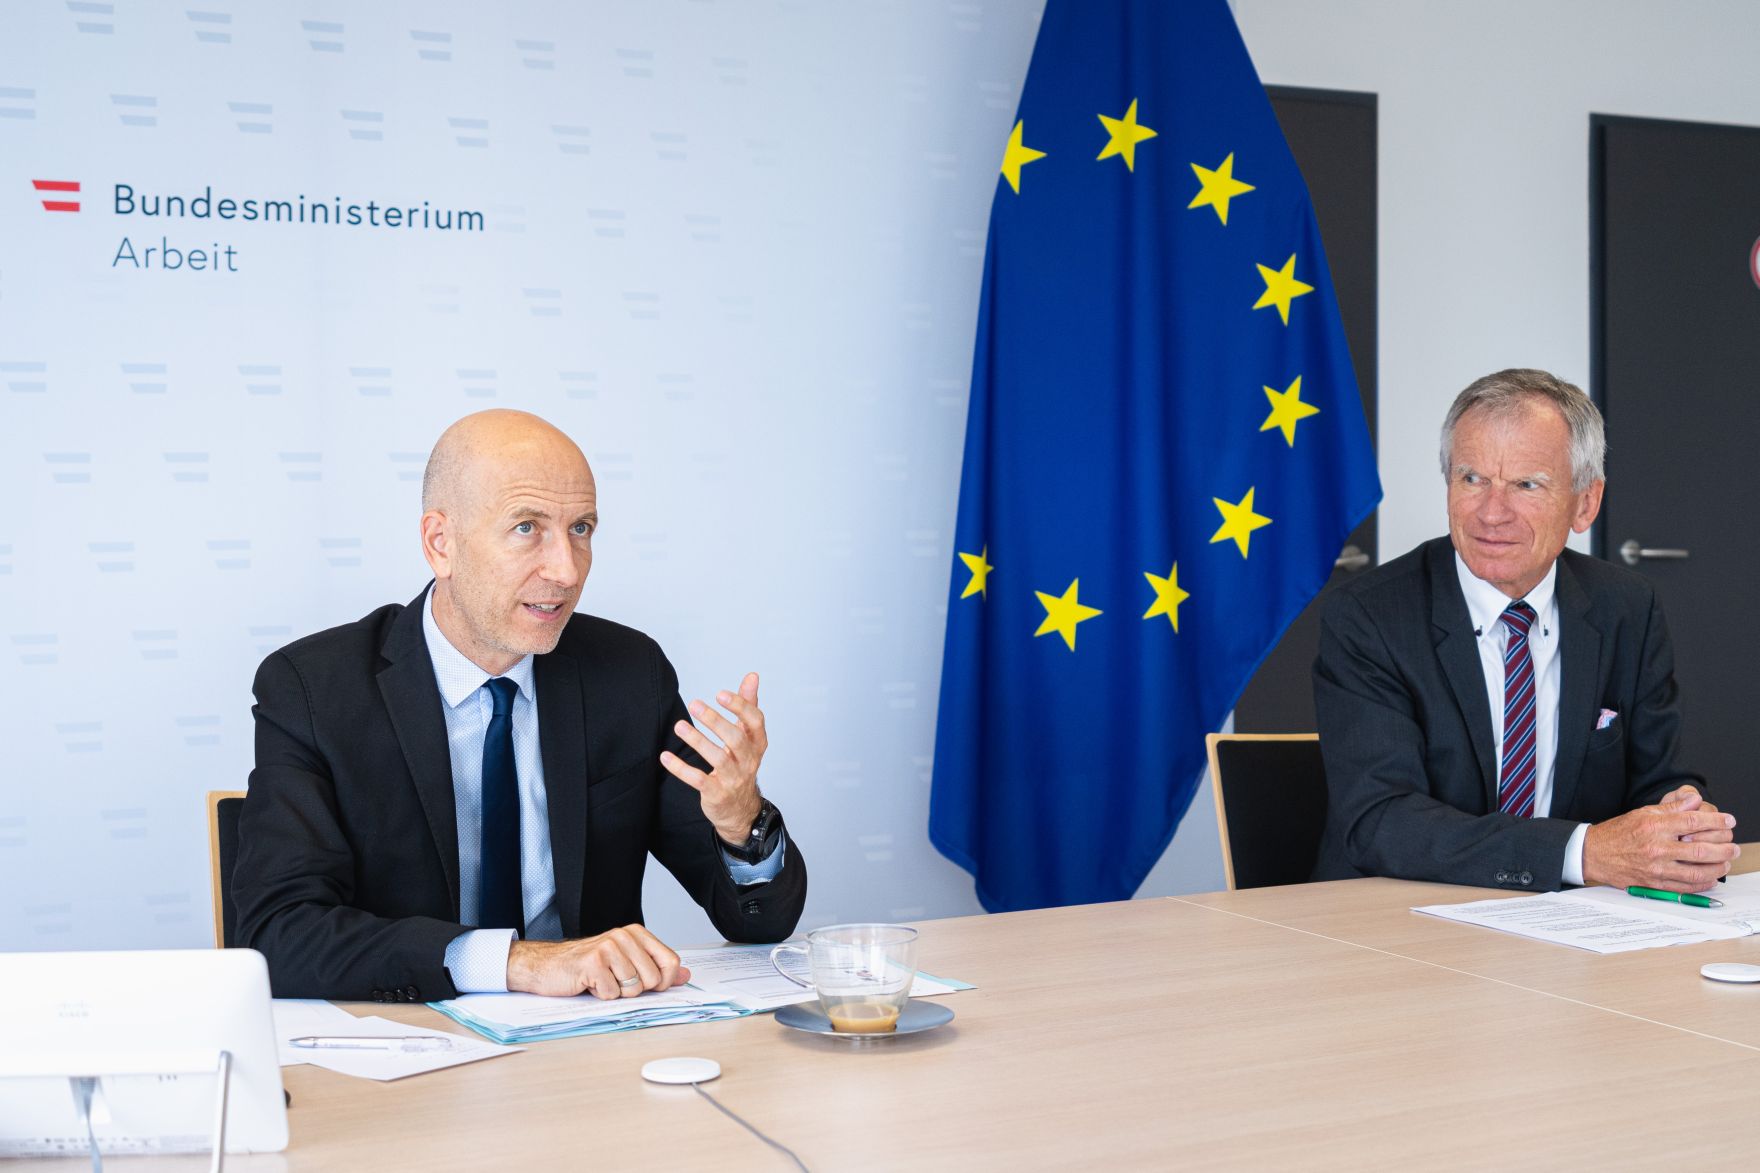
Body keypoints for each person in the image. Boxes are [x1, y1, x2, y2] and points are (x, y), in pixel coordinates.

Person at [233, 409, 807, 1001]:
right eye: (527, 527)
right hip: (409, 1038)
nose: (565, 570)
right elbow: (278, 934)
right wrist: (518, 963)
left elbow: (758, 922)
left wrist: (742, 824)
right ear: (441, 544)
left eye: (581, 529)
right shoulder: (313, 689)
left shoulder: (628, 674)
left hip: (586, 1047)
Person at [1312, 369, 1738, 891]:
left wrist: (1682, 818)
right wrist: (1580, 854)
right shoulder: (1370, 615)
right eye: (1472, 479)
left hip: (1571, 924)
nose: (1492, 513)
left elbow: (1657, 776)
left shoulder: (1626, 606)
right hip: (1395, 913)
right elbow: (1381, 821)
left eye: (1526, 485)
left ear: (1586, 503)